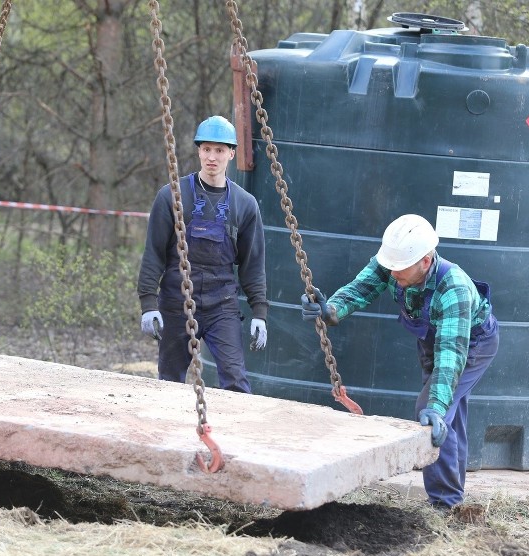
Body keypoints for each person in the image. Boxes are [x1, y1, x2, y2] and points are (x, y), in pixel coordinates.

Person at [300, 214, 499, 509]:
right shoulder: (394, 262)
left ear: (426, 262)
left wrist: (435, 406)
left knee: (431, 414)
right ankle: (454, 500)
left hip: (470, 345)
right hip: (431, 340)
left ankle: (444, 505)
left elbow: (450, 356)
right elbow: (361, 289)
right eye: (390, 268)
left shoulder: (453, 287)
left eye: (400, 271)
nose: (393, 275)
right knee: (448, 416)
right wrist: (331, 309)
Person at [137, 115, 268, 394]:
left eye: (219, 150)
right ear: (198, 150)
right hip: (176, 301)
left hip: (222, 305)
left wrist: (260, 312)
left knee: (235, 380)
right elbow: (153, 254)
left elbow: (252, 265)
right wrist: (148, 305)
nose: (212, 157)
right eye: (206, 149)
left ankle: (234, 436)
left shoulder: (245, 205)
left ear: (231, 153)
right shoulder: (172, 195)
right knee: (170, 382)